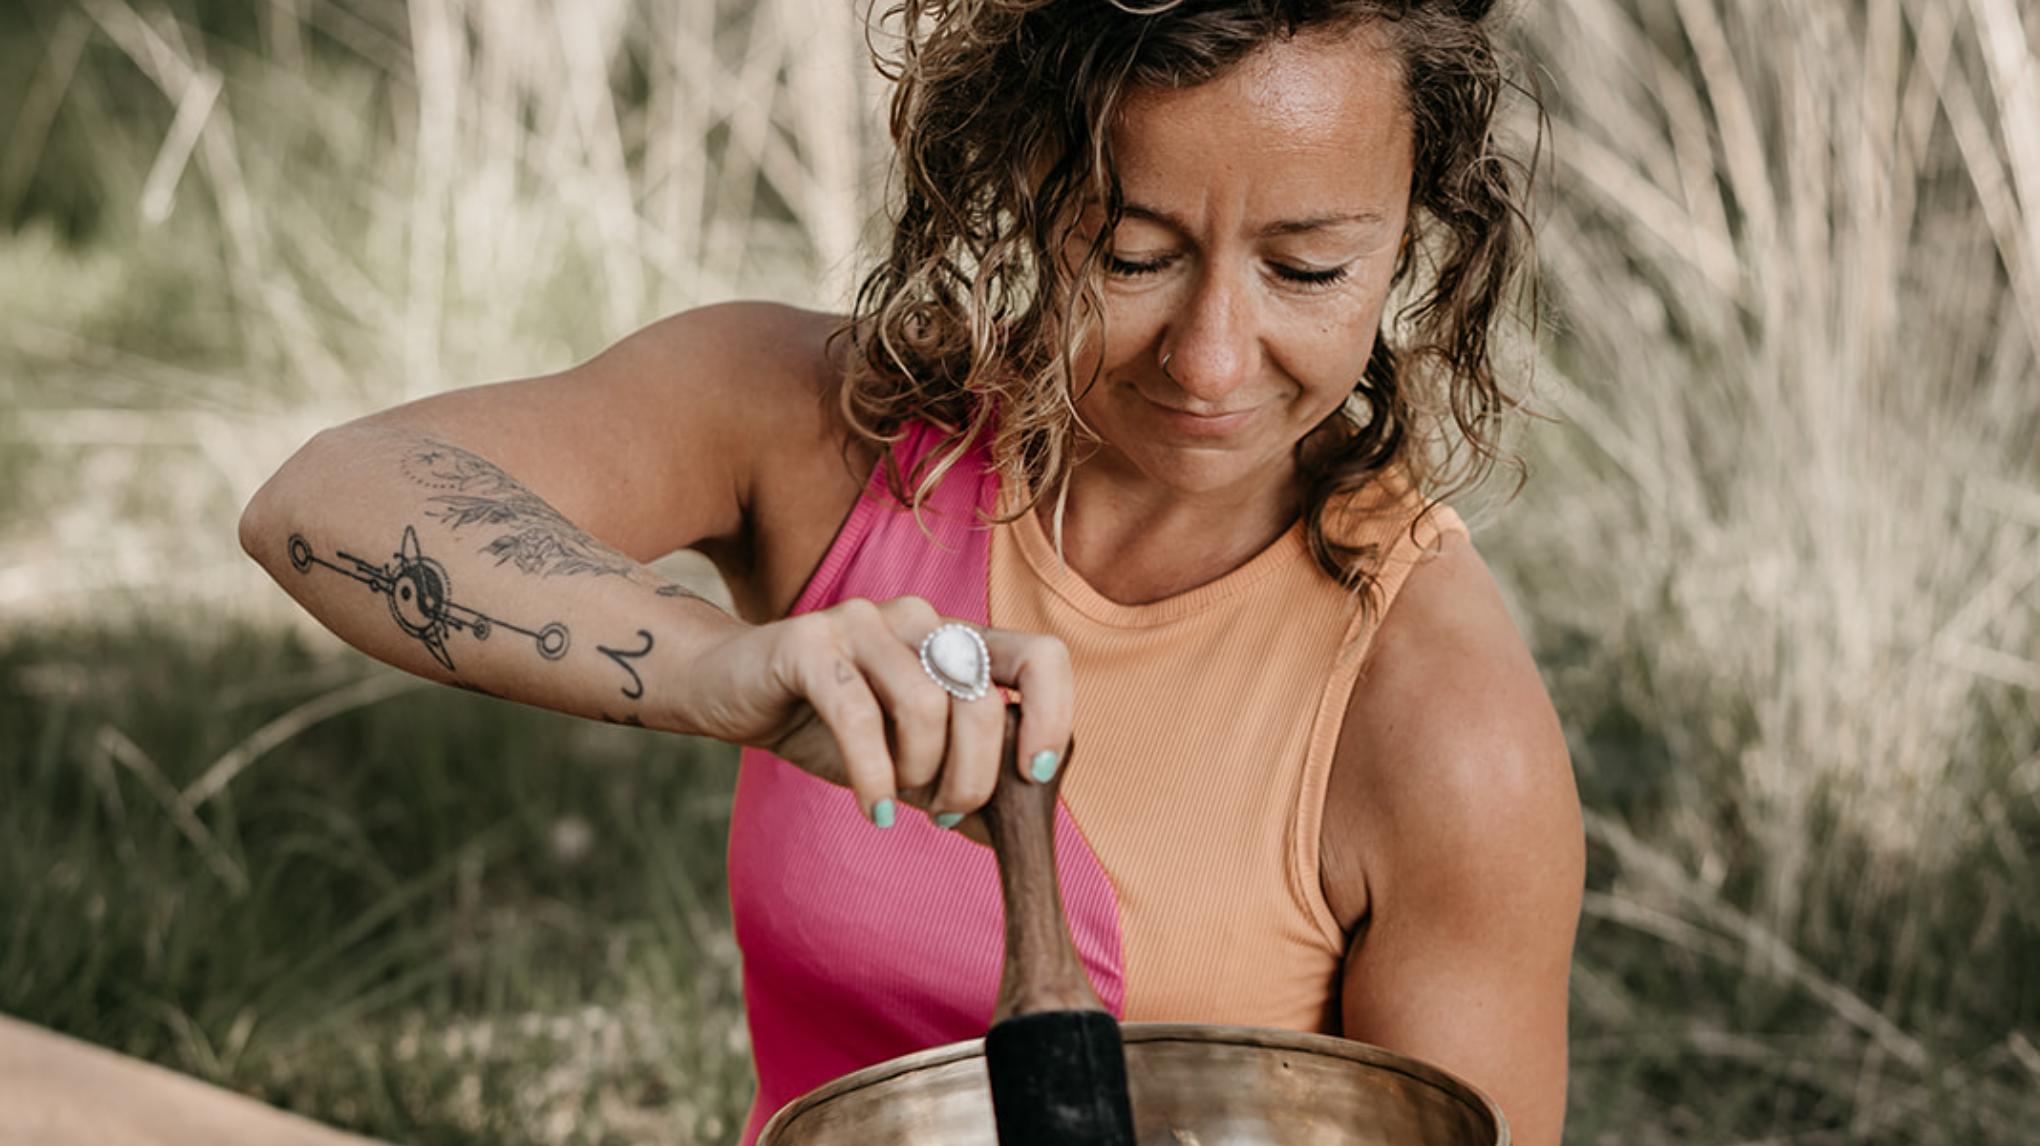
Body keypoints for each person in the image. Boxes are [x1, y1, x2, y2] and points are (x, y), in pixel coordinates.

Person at [240, 0, 1584, 1142]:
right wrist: (718, 664)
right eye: (1132, 251)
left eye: (1307, 267)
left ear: (1411, 236)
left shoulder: (1445, 730)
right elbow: (326, 497)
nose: (1212, 358)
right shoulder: (835, 434)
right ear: (1024, 178)